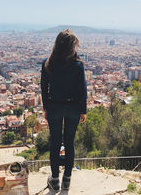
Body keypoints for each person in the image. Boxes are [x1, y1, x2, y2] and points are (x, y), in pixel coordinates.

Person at [41, 29, 87, 192]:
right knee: (69, 143)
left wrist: (46, 108)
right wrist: (83, 110)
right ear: (70, 47)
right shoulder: (78, 65)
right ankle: (67, 179)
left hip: (54, 107)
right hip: (73, 108)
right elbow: (82, 89)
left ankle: (54, 179)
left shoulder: (47, 63)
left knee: (55, 143)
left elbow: (44, 88)